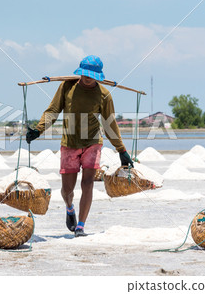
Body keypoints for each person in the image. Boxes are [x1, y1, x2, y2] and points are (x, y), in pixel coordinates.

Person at [26, 55, 134, 237]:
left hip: (93, 143)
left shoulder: (104, 95)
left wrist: (121, 150)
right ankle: (69, 209)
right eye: (85, 74)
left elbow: (109, 124)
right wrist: (38, 130)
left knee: (88, 183)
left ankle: (81, 226)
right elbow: (53, 110)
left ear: (98, 75)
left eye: (91, 75)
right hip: (70, 143)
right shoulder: (67, 86)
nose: (87, 77)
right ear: (80, 72)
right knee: (67, 190)